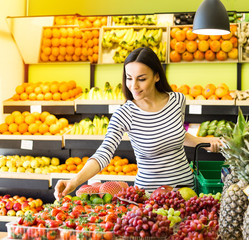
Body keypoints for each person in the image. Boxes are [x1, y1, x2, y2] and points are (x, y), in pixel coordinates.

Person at [54, 47, 221, 199]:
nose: (134, 86)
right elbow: (104, 153)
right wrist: (74, 181)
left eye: (141, 79)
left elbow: (174, 134)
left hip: (186, 191)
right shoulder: (125, 113)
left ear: (157, 76)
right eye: (129, 78)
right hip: (147, 196)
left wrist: (205, 143)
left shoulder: (177, 100)